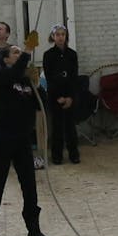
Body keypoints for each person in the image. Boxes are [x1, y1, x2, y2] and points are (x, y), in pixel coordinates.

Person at [0, 45, 50, 236]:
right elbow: (13, 74)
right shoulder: (0, 77)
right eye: (15, 53)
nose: (19, 55)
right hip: (1, 141)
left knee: (30, 187)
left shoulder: (24, 81)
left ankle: (33, 230)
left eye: (20, 52)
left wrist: (37, 86)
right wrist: (27, 51)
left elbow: (40, 105)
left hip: (22, 141)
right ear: (6, 59)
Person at [41, 24, 81, 165]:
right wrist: (58, 97)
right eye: (57, 34)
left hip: (69, 95)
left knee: (70, 126)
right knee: (57, 126)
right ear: (53, 37)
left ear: (66, 36)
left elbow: (74, 77)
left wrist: (70, 97)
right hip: (55, 96)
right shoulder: (48, 55)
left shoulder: (72, 55)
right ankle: (57, 155)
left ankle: (74, 154)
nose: (60, 37)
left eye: (62, 34)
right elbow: (49, 77)